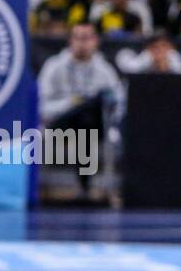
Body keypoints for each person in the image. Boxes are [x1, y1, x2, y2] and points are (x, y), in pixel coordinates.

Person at [36, 24, 123, 200]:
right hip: (59, 125)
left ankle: (86, 106)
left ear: (96, 42)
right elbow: (40, 103)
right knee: (87, 110)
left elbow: (118, 104)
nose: (82, 43)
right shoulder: (54, 66)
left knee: (88, 118)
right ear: (70, 41)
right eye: (78, 38)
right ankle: (85, 188)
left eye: (87, 38)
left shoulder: (105, 70)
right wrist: (73, 104)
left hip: (94, 128)